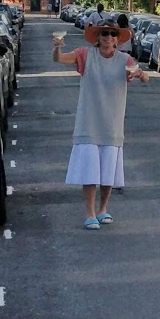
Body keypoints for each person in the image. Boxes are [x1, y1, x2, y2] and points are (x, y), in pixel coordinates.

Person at [53, 20, 148, 229]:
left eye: (113, 34)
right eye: (104, 33)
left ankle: (103, 209)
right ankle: (90, 213)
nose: (109, 37)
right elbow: (60, 59)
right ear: (97, 36)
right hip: (89, 122)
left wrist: (140, 74)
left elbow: (144, 76)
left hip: (112, 122)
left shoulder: (125, 59)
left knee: (107, 172)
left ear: (117, 38)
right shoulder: (85, 54)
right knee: (90, 171)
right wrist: (57, 47)